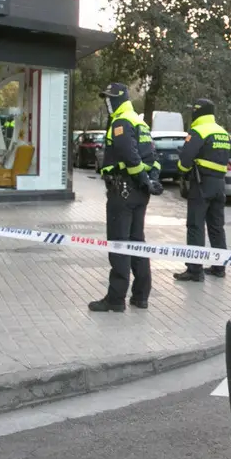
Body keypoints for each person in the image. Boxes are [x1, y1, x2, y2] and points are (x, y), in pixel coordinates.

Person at [88, 83, 164, 313]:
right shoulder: (140, 123)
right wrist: (150, 180)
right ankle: (141, 296)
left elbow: (130, 156)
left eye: (109, 98)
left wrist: (143, 179)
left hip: (122, 191)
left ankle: (116, 299)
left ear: (119, 99)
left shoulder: (121, 122)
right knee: (136, 242)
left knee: (119, 243)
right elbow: (153, 157)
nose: (107, 102)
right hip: (139, 193)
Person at [173, 98, 231, 282]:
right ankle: (219, 267)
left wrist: (182, 171)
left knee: (195, 226)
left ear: (197, 111)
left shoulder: (199, 131)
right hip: (220, 185)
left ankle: (195, 270)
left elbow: (185, 160)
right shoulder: (222, 132)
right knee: (216, 227)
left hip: (201, 184)